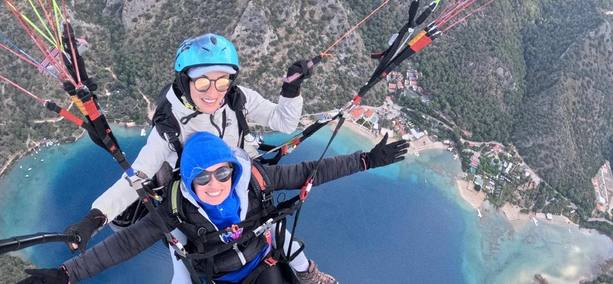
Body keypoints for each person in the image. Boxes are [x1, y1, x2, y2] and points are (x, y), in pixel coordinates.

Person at [64, 33, 333, 284]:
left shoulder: (237, 100)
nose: (213, 92)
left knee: (274, 229)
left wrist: (290, 90)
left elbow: (284, 122)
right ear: (185, 80)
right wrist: (95, 218)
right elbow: (138, 176)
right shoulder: (169, 127)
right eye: (203, 82)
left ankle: (308, 274)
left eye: (222, 81)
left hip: (237, 188)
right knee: (183, 272)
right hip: (190, 207)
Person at [18, 131, 410, 284]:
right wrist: (65, 275)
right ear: (188, 183)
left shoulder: (255, 180)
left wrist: (365, 160)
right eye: (201, 179)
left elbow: (312, 170)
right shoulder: (176, 210)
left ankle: (311, 277)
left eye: (222, 174)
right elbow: (125, 245)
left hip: (263, 262)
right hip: (214, 274)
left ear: (232, 168)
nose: (214, 185)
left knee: (288, 251)